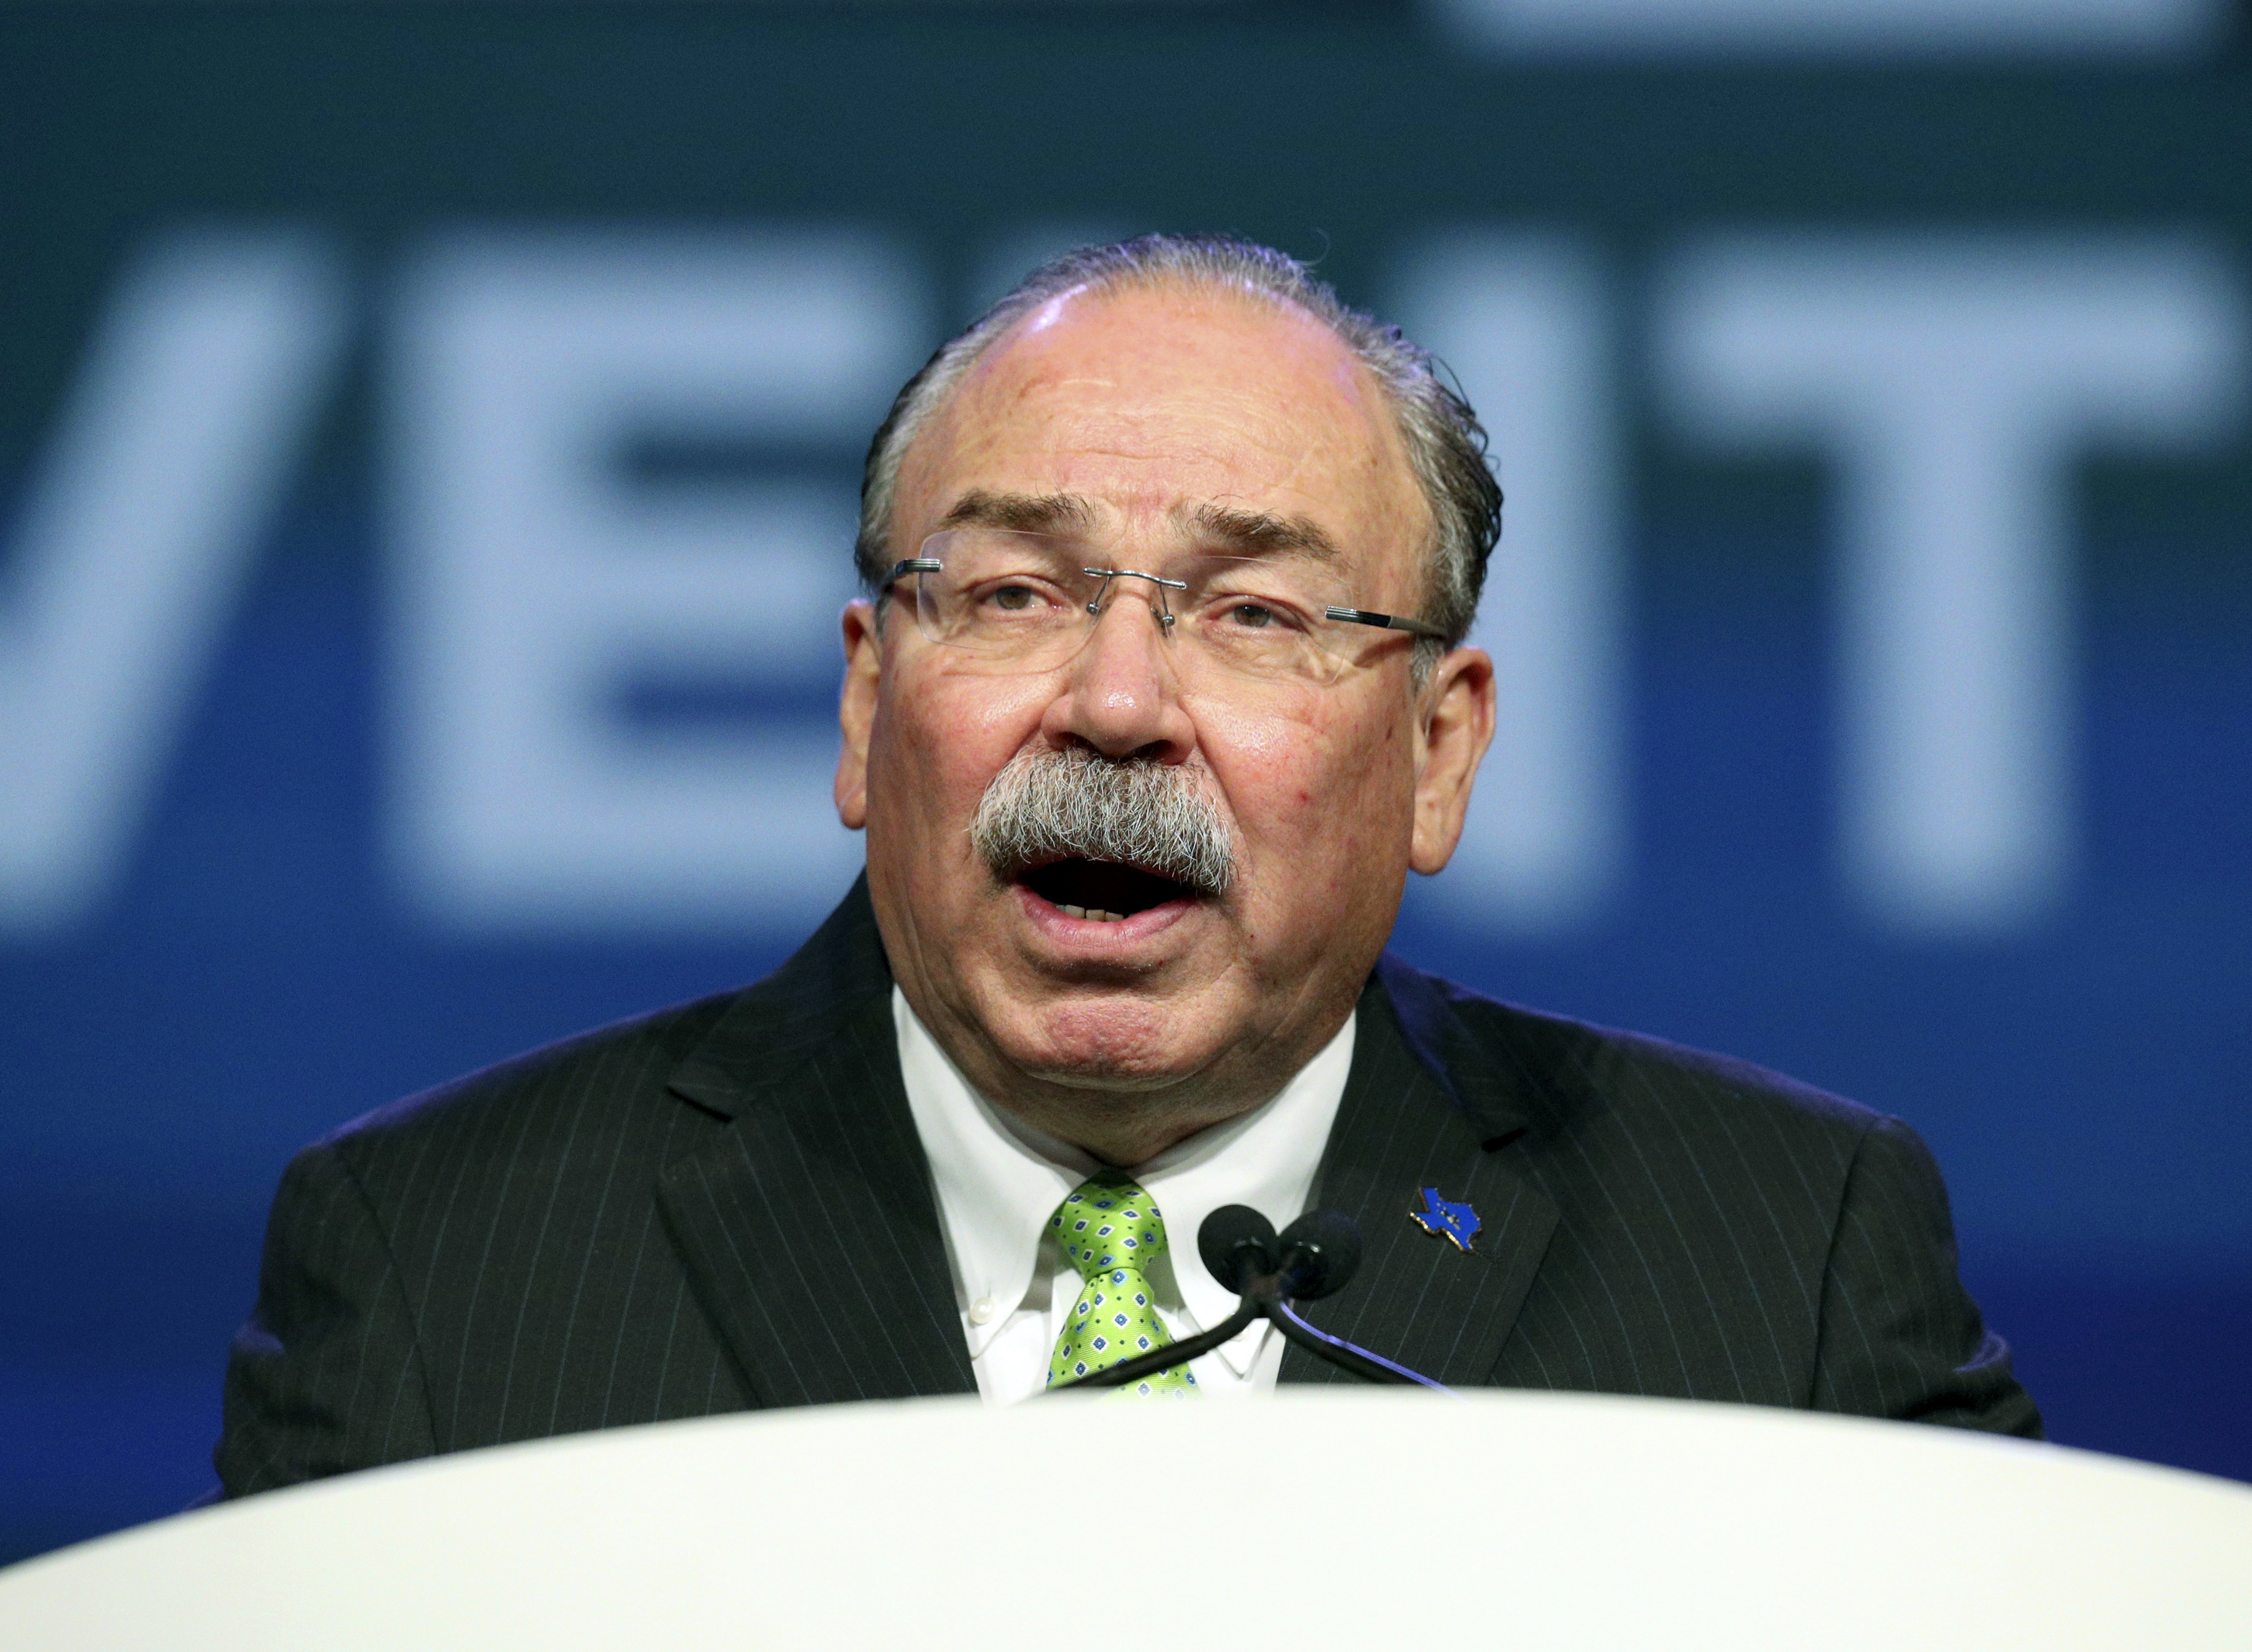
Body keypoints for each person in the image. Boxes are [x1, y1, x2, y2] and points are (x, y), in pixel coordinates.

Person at [214, 234, 2037, 1494]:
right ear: (867, 706)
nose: (1113, 701)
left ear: (1435, 749)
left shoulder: (1782, 1263)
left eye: (1252, 614)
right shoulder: (442, 1264)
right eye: (1011, 593)